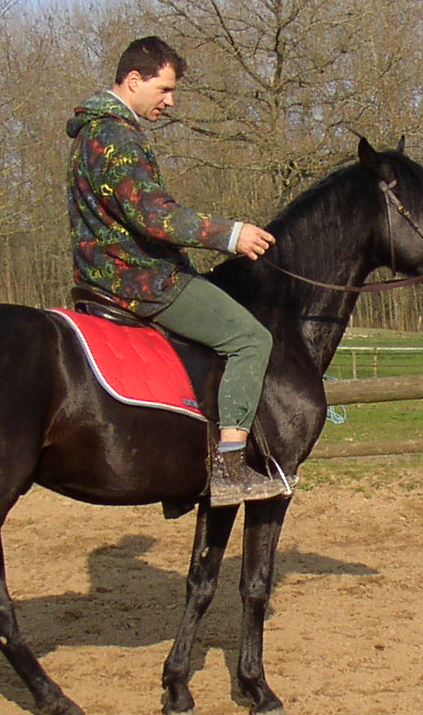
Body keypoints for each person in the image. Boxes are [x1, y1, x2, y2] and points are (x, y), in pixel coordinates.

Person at [65, 36, 289, 505]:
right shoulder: (118, 137)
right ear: (133, 80)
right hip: (141, 280)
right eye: (164, 89)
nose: (170, 102)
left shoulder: (90, 132)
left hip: (99, 276)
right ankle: (229, 469)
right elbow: (155, 217)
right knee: (251, 339)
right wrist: (231, 235)